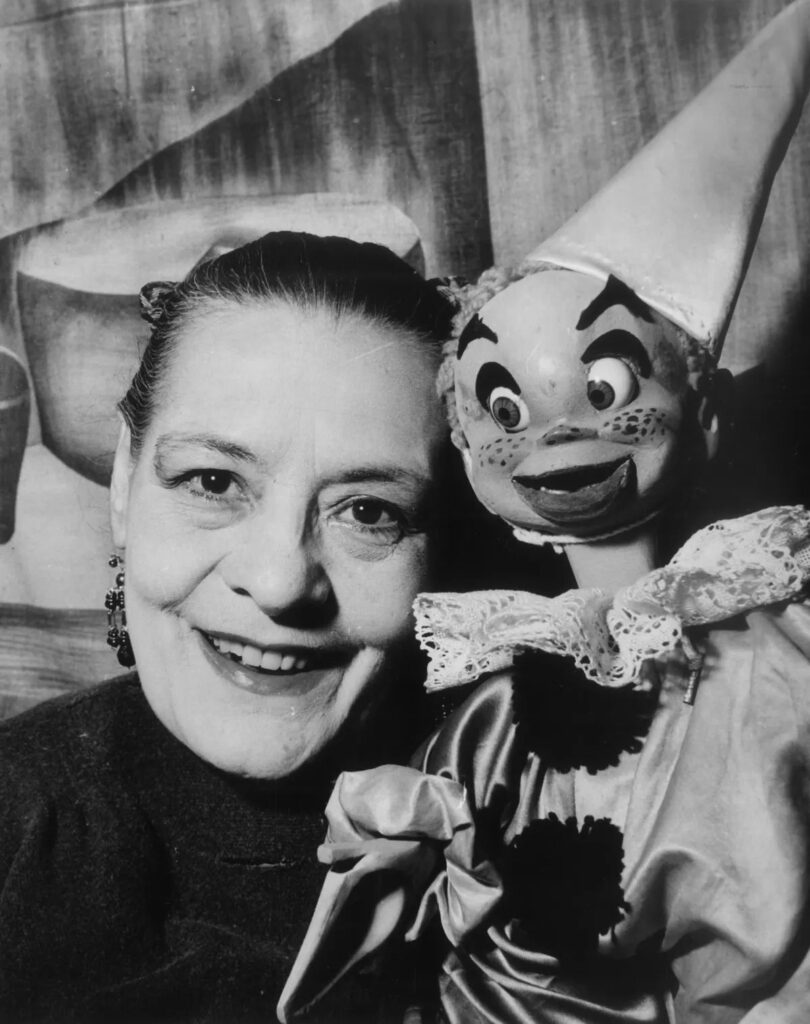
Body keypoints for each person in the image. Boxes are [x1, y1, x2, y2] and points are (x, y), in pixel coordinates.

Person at [279, 4, 810, 1022]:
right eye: (506, 407)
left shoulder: (778, 647)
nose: (560, 434)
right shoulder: (496, 698)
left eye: (606, 387)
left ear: (706, 417)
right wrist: (417, 819)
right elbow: (459, 834)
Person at [0, 230, 458, 1022]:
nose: (280, 583)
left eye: (368, 512)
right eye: (213, 481)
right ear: (124, 481)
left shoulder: (555, 811)